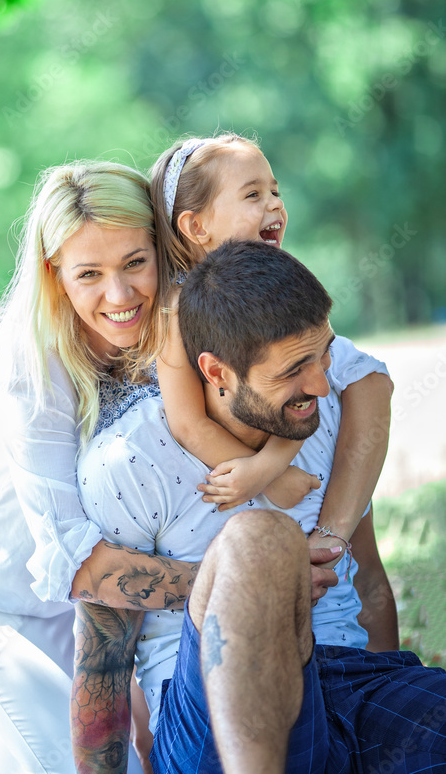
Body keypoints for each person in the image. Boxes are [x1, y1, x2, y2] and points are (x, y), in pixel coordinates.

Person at [71, 241, 446, 774]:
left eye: (324, 353)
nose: (319, 383)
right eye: (294, 369)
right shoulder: (128, 461)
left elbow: (366, 578)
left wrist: (386, 694)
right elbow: (102, 662)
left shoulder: (327, 412)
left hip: (347, 684)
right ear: (216, 371)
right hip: (210, 709)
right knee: (261, 542)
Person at [0, 160, 200, 774]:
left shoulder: (175, 332)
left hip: (102, 594)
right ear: (56, 276)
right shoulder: (32, 369)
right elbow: (77, 563)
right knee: (73, 768)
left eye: (134, 263)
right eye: (89, 274)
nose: (119, 296)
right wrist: (238, 583)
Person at [150, 133, 391, 519]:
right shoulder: (174, 311)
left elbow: (307, 392)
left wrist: (269, 467)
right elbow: (189, 422)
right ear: (196, 227)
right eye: (253, 195)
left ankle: (349, 544)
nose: (275, 203)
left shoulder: (280, 280)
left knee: (365, 378)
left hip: (293, 407)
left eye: (275, 191)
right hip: (245, 420)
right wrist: (265, 476)